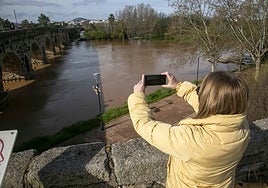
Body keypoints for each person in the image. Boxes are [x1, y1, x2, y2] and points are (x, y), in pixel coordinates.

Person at [127, 71, 250, 188]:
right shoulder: (242, 127)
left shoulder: (190, 140)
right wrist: (179, 86)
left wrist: (138, 96)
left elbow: (144, 125)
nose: (199, 92)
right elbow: (210, 109)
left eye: (200, 91)